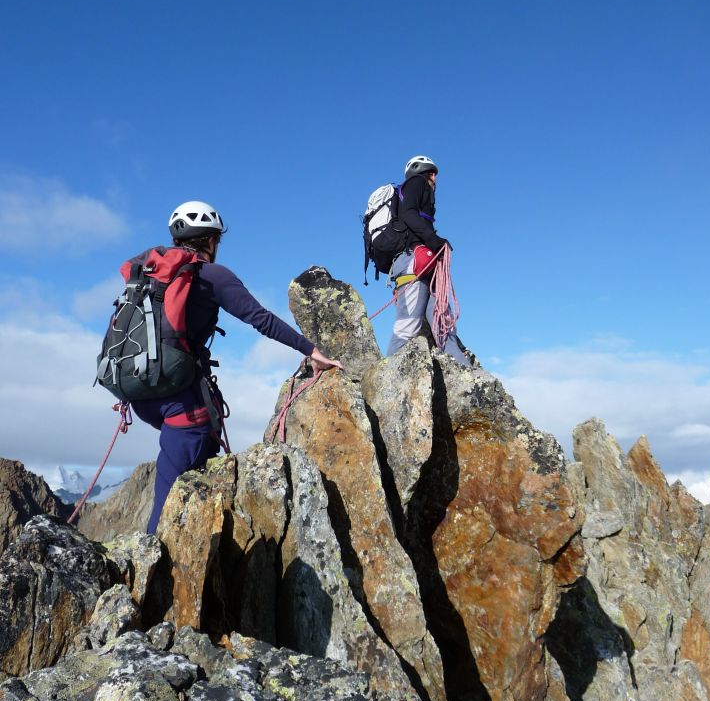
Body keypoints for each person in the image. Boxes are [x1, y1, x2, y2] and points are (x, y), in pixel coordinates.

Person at [131, 200, 341, 534]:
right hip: (181, 405)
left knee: (194, 465)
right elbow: (261, 320)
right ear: (211, 241)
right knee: (171, 498)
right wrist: (310, 350)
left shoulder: (150, 274)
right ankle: (154, 567)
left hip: (139, 393)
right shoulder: (212, 275)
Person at [386, 156, 469, 366]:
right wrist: (435, 240)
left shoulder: (417, 189)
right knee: (408, 326)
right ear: (430, 173)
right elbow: (409, 213)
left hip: (422, 263)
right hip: (412, 261)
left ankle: (465, 372)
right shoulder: (417, 183)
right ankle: (389, 383)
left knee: (444, 326)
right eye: (434, 175)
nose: (435, 180)